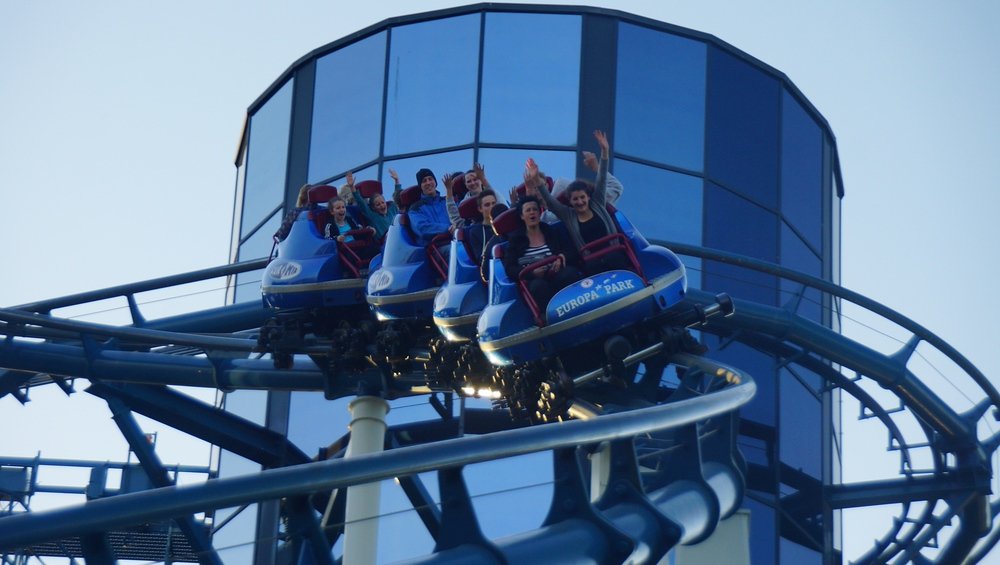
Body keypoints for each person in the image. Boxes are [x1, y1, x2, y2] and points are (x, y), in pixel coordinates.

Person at [532, 130, 631, 275]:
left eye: (582, 197)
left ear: (588, 197)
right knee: (592, 267)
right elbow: (551, 203)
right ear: (570, 202)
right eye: (575, 199)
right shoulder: (569, 215)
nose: (580, 202)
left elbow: (602, 178)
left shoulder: (597, 203)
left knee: (614, 259)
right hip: (592, 261)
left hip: (613, 253)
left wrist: (604, 151)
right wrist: (537, 180)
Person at [503, 196, 582, 313]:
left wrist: (561, 257)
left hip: (556, 273)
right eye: (528, 210)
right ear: (522, 216)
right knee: (538, 286)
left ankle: (577, 307)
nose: (532, 213)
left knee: (569, 273)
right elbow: (510, 268)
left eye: (535, 209)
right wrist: (532, 273)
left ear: (540, 213)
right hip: (534, 279)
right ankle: (549, 315)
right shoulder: (515, 239)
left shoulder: (551, 231)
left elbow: (571, 250)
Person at [346, 171, 398, 240]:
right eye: (378, 204)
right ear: (373, 208)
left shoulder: (392, 210)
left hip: (398, 239)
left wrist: (397, 181)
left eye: (383, 202)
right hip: (385, 244)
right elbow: (361, 203)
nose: (382, 205)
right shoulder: (372, 216)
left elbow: (398, 197)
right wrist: (352, 187)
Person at [407, 168, 453, 245]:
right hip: (437, 248)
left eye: (430, 179)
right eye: (424, 181)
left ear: (435, 182)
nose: (428, 183)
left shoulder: (446, 201)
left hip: (456, 241)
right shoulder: (415, 209)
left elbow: (459, 217)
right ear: (420, 186)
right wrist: (448, 228)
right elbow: (422, 228)